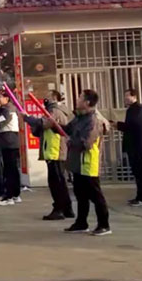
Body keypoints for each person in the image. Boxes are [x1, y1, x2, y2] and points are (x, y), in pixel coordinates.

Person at [52, 89, 111, 236]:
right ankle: (81, 223)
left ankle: (104, 225)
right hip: (78, 163)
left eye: (80, 98)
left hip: (88, 163)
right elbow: (67, 129)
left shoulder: (93, 121)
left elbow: (86, 143)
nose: (77, 100)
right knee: (80, 195)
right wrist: (54, 126)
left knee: (96, 195)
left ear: (87, 102)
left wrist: (71, 141)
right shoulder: (79, 118)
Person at [24, 91, 74, 220]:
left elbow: (44, 123)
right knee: (60, 181)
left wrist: (28, 118)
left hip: (55, 150)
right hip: (53, 150)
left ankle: (59, 209)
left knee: (56, 182)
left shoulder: (55, 110)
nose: (45, 99)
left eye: (48, 96)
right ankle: (67, 208)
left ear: (54, 98)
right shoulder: (56, 110)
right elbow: (41, 129)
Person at [116, 88, 142, 207]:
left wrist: (118, 125)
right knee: (136, 172)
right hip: (134, 146)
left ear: (134, 96)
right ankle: (139, 196)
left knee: (139, 172)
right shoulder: (132, 109)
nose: (125, 98)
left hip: (137, 146)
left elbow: (133, 126)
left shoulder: (138, 109)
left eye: (127, 96)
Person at [0, 88, 21, 206]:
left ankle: (9, 196)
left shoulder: (7, 110)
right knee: (13, 170)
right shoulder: (7, 109)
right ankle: (15, 194)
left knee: (9, 171)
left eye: (0, 97)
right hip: (10, 141)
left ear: (7, 98)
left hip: (9, 142)